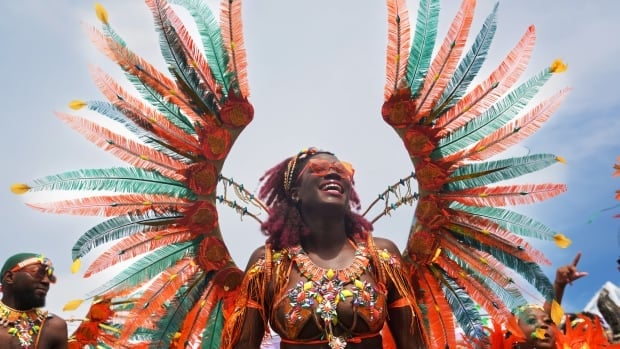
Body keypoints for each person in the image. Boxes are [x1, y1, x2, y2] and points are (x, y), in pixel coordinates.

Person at [222, 147, 429, 349]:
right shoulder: (268, 263)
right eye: (318, 168)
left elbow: (413, 343)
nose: (333, 173)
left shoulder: (382, 256)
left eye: (342, 171)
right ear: (295, 193)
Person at [0, 253, 68, 349]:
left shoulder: (54, 327)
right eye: (37, 273)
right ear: (10, 277)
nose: (46, 281)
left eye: (49, 276)